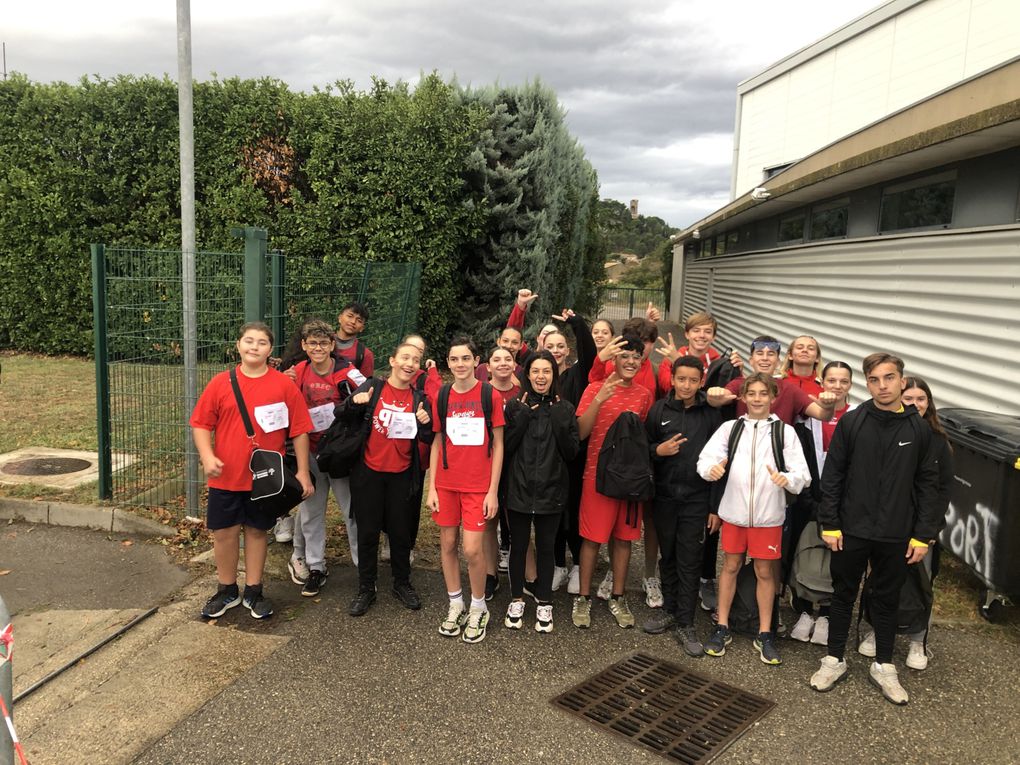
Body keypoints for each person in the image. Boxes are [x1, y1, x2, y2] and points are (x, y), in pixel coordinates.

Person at [809, 353, 941, 705]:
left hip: (897, 533)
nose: (882, 386)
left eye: (889, 378)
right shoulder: (852, 422)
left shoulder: (920, 430)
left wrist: (922, 534)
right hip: (851, 529)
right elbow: (833, 475)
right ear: (867, 383)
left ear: (902, 380)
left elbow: (929, 486)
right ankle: (833, 659)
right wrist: (830, 523)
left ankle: (883, 665)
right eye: (874, 379)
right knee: (842, 594)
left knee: (886, 599)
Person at [191, 322, 314, 620]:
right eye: (249, 341)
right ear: (238, 345)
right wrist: (207, 456)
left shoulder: (283, 385)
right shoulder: (221, 383)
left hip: (266, 479)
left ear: (270, 350)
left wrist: (303, 472)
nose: (254, 347)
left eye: (261, 342)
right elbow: (200, 423)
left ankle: (254, 589)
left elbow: (299, 431)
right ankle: (227, 589)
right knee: (225, 533)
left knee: (258, 531)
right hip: (226, 475)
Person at [697, 373, 811, 665]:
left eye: (764, 393)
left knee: (764, 573)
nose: (758, 398)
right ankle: (721, 625)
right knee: (731, 566)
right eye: (752, 393)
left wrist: (786, 478)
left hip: (768, 517)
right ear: (743, 397)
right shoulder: (729, 428)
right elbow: (706, 458)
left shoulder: (784, 432)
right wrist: (710, 470)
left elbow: (803, 473)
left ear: (773, 398)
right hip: (734, 514)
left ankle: (765, 632)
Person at [857, 375, 953, 671]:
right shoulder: (887, 431)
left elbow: (942, 489)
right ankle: (876, 629)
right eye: (909, 398)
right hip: (889, 525)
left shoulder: (938, 441)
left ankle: (917, 640)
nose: (914, 404)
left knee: (920, 585)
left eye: (921, 399)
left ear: (929, 403)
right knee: (881, 582)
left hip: (920, 528)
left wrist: (929, 531)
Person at [345, 341, 434, 616]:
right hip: (369, 473)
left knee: (400, 532)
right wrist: (354, 402)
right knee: (368, 532)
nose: (410, 364)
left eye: (415, 360)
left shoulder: (420, 399)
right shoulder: (373, 387)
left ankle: (401, 583)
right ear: (393, 360)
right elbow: (344, 416)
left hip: (402, 475)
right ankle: (366, 587)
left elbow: (428, 438)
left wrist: (426, 422)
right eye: (405, 358)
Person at [643, 356, 723, 656]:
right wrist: (658, 450)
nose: (687, 385)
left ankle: (687, 622)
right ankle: (670, 609)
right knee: (669, 556)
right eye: (681, 379)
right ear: (672, 380)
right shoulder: (659, 410)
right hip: (664, 497)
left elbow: (719, 461)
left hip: (697, 500)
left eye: (693, 380)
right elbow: (645, 447)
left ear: (702, 381)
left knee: (690, 560)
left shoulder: (711, 415)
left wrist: (714, 507)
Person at [572, 335, 653, 629]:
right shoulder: (595, 388)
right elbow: (580, 432)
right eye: (624, 356)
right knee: (592, 539)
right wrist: (600, 398)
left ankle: (618, 596)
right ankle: (583, 597)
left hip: (629, 480)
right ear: (614, 360)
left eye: (636, 357)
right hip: (597, 475)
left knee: (623, 540)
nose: (631, 362)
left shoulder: (644, 395)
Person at [427, 337, 505, 644]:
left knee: (472, 549)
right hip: (446, 485)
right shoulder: (443, 395)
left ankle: (478, 605)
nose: (460, 364)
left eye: (465, 359)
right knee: (447, 545)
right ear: (448, 364)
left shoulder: (489, 395)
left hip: (477, 487)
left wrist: (492, 491)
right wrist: (431, 486)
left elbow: (499, 445)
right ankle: (455, 603)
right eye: (454, 359)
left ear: (476, 361)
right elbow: (436, 442)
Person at [588, 317, 665, 609]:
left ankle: (649, 575)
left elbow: (670, 394)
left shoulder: (657, 370)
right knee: (616, 517)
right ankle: (612, 571)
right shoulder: (613, 364)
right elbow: (594, 379)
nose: (639, 347)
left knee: (646, 519)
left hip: (643, 452)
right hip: (613, 456)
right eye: (633, 339)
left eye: (645, 341)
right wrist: (601, 358)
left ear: (652, 344)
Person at [502, 351, 580, 632]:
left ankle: (545, 601)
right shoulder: (514, 406)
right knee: (518, 547)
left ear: (554, 375)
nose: (541, 377)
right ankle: (516, 598)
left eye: (546, 371)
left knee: (547, 548)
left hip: (552, 492)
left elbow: (571, 452)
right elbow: (505, 448)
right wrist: (521, 418)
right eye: (535, 371)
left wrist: (560, 420)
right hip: (519, 490)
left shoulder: (566, 409)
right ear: (527, 374)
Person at [284, 319, 360, 597]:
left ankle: (362, 566)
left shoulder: (346, 371)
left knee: (350, 509)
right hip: (311, 452)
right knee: (311, 512)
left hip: (340, 453)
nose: (318, 348)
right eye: (312, 343)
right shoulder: (298, 372)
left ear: (332, 345)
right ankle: (316, 566)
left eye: (324, 343)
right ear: (304, 346)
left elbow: (369, 392)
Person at [789, 361, 854, 644]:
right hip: (809, 496)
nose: (837, 386)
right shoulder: (808, 415)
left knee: (837, 558)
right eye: (831, 380)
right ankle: (804, 610)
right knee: (803, 551)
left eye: (843, 381)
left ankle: (827, 614)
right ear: (822, 382)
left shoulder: (857, 416)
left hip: (844, 501)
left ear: (850, 385)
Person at [540, 310, 599, 593]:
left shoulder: (579, 374)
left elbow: (590, 351)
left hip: (576, 456)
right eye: (549, 347)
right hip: (548, 457)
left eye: (560, 346)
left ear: (568, 350)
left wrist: (577, 323)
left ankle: (577, 566)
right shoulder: (540, 375)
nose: (555, 351)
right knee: (552, 512)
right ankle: (556, 565)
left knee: (574, 511)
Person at [484, 346, 521, 600]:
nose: (502, 363)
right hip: (486, 466)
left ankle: (525, 576)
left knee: (518, 524)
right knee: (488, 523)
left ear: (515, 365)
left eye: (508, 359)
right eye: (496, 359)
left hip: (518, 467)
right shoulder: (481, 392)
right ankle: (490, 575)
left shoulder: (523, 393)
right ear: (488, 367)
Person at [334, 301, 374, 379]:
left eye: (359, 320)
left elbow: (365, 386)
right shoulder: (321, 343)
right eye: (350, 316)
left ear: (362, 328)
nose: (353, 322)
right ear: (340, 318)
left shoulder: (365, 355)